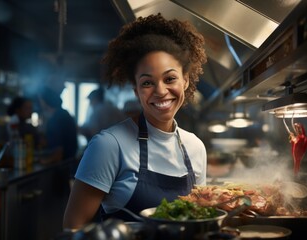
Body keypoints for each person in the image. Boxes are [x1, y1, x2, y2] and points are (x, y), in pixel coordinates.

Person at [63, 13, 207, 229]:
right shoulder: (109, 145)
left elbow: (199, 222)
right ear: (136, 89)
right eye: (147, 82)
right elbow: (73, 228)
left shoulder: (195, 147)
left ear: (185, 80)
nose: (160, 91)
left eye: (170, 79)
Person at [38, 86, 78, 165]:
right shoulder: (64, 113)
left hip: (62, 165)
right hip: (70, 162)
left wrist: (44, 161)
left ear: (45, 101)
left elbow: (58, 154)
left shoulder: (55, 119)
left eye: (40, 100)